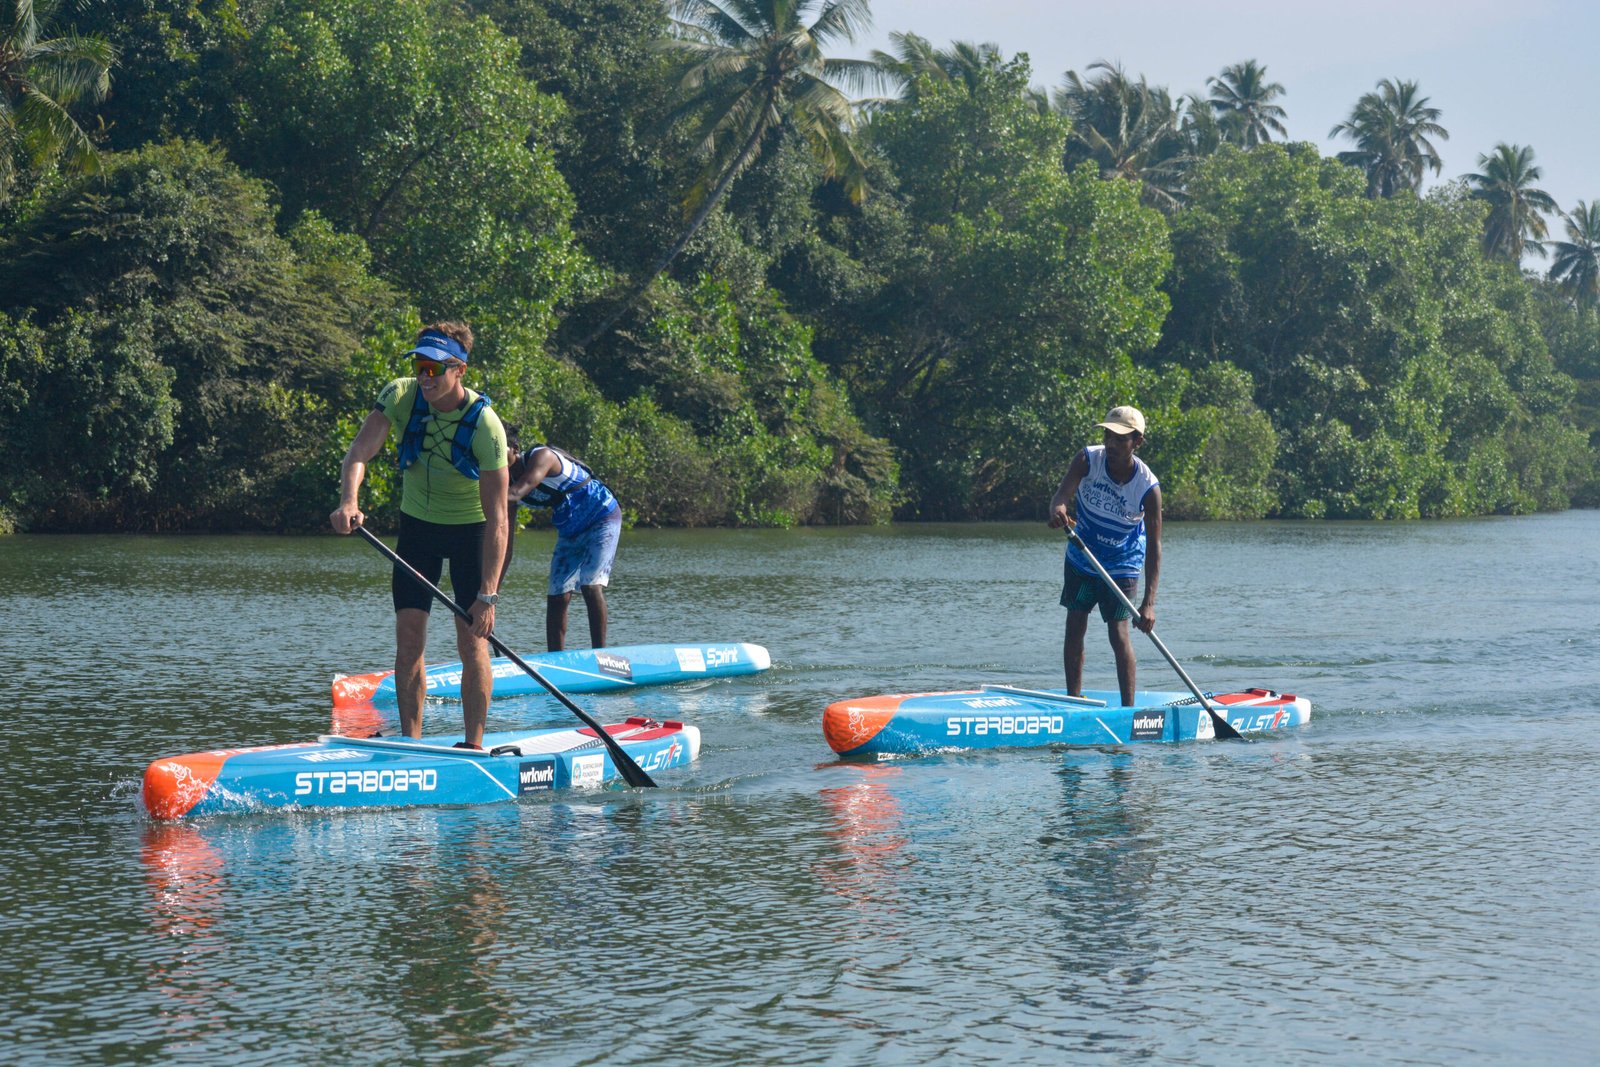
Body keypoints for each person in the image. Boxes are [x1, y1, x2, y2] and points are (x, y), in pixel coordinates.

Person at [329, 323, 509, 749]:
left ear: (459, 370)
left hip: (472, 534)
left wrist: (488, 595)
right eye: (419, 366)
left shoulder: (486, 426)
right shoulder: (400, 395)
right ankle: (411, 746)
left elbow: (499, 520)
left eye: (435, 369)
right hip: (418, 531)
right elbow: (358, 452)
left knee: (472, 642)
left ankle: (473, 745)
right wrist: (349, 501)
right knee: (409, 638)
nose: (425, 377)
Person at [1046, 405, 1162, 708]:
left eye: (1120, 439)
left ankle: (1128, 711)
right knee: (1075, 623)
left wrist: (1148, 603)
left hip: (1122, 565)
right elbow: (1061, 496)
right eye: (1108, 435)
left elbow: (1155, 546)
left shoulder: (1148, 488)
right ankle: (1073, 699)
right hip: (1082, 559)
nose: (1111, 444)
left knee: (1118, 632)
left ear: (1137, 442)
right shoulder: (1087, 460)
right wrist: (1058, 509)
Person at [503, 437, 622, 651]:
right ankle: (555, 659)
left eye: (499, 447)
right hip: (571, 528)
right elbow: (506, 548)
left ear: (515, 449)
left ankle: (601, 654)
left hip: (601, 514)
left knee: (590, 585)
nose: (495, 455)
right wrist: (491, 592)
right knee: (557, 595)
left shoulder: (541, 456)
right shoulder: (507, 486)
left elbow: (519, 491)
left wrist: (481, 491)